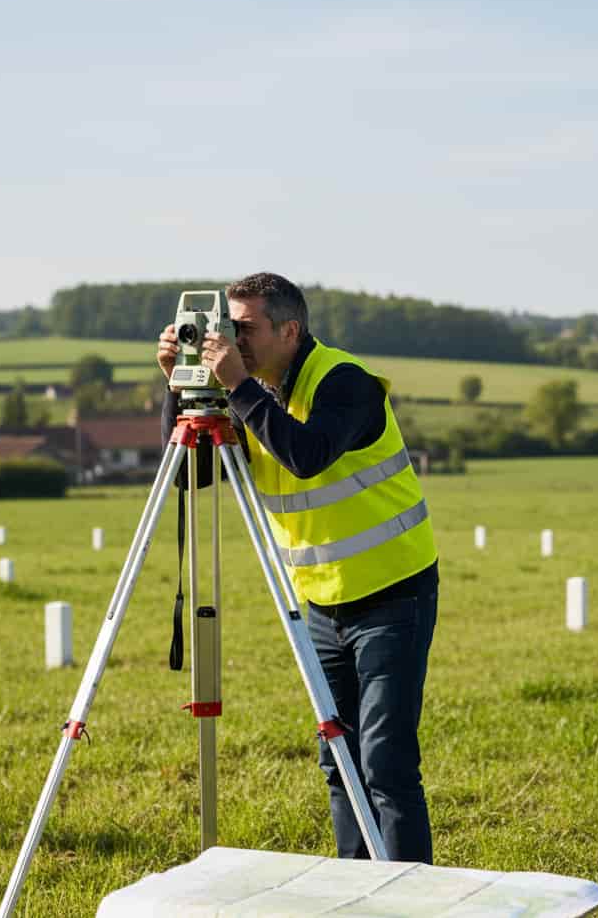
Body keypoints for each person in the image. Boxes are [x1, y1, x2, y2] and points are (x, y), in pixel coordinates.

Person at [156, 272, 438, 862]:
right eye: (227, 328)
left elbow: (305, 456)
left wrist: (233, 382)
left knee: (384, 764)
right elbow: (192, 473)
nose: (233, 341)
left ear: (291, 330)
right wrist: (177, 389)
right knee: (339, 763)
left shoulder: (345, 382)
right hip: (320, 606)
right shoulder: (254, 390)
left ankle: (409, 898)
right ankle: (354, 890)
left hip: (392, 595)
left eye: (246, 328)